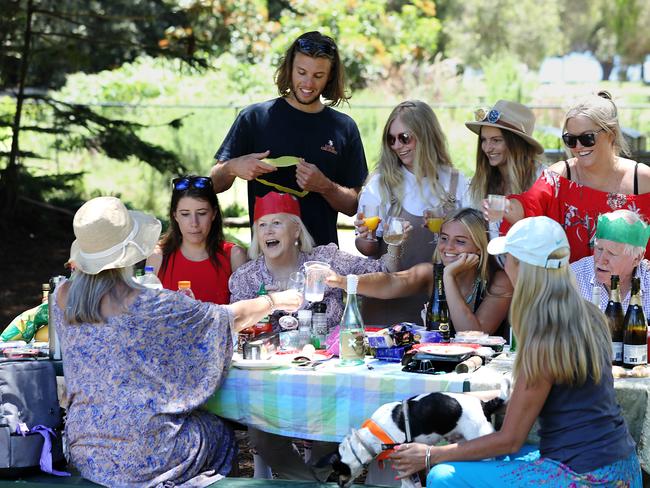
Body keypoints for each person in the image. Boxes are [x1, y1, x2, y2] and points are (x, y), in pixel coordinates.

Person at [53, 196, 301, 487]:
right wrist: (274, 300)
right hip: (147, 453)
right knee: (219, 432)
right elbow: (225, 319)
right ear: (130, 251)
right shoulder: (149, 302)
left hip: (86, 449)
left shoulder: (62, 297)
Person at [388, 216, 641, 487]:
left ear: (521, 266)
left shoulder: (544, 334)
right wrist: (452, 400)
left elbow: (510, 440)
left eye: (507, 257)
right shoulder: (588, 314)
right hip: (622, 468)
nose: (504, 265)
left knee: (443, 476)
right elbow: (533, 395)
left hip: (583, 476)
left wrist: (430, 455)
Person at [228, 191, 401, 481]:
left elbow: (384, 273)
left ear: (296, 229)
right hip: (273, 383)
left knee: (327, 439)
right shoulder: (246, 278)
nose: (268, 231)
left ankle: (316, 479)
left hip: (327, 382)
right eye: (262, 225)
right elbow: (239, 330)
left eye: (276, 223)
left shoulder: (325, 260)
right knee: (261, 437)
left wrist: (393, 244)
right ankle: (313, 483)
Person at [211, 31, 367, 247]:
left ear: (330, 76)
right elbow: (211, 186)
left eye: (318, 76)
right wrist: (232, 167)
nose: (308, 83)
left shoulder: (344, 127)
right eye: (301, 72)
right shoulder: (255, 117)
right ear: (289, 69)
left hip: (321, 262)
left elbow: (354, 206)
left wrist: (325, 187)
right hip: (266, 261)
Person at [355, 100, 470, 324]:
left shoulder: (456, 182)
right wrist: (365, 236)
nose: (397, 146)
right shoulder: (380, 184)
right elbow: (368, 250)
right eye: (391, 139)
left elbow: (474, 242)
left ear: (426, 134)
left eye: (404, 138)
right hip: (389, 307)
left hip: (443, 305)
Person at [501, 90, 650, 262]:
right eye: (570, 139)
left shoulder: (642, 179)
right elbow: (530, 205)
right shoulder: (560, 176)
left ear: (611, 134)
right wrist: (507, 208)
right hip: (572, 287)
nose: (578, 146)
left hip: (634, 288)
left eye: (587, 138)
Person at [328, 208, 512, 336]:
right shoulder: (431, 273)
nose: (448, 247)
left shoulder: (498, 280)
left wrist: (448, 277)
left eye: (460, 241)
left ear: (480, 247)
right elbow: (391, 282)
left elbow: (472, 335)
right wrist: (343, 281)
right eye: (444, 238)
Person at [146, 175, 247, 303]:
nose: (194, 223)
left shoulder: (234, 256)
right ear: (175, 215)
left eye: (202, 213)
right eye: (185, 214)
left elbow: (248, 315)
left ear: (214, 214)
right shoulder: (158, 256)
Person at [572, 209, 650, 311]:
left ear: (637, 258)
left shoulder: (647, 280)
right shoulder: (572, 278)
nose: (600, 260)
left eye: (612, 253)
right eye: (599, 249)